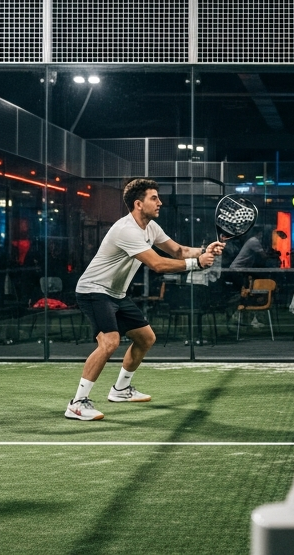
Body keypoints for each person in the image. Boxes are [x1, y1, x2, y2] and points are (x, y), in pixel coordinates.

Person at [65, 178, 221, 421]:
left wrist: (204, 250)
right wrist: (196, 264)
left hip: (116, 294)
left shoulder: (150, 227)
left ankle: (120, 390)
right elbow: (157, 264)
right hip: (93, 290)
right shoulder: (125, 229)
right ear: (138, 204)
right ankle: (77, 403)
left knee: (146, 338)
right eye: (154, 198)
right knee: (109, 342)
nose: (160, 202)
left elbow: (178, 251)